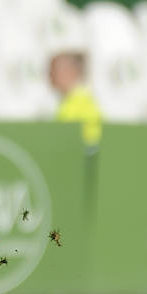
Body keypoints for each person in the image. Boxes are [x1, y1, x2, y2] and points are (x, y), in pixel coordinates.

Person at [48, 50, 103, 215]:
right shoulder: (75, 101)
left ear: (70, 72)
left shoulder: (80, 102)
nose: (49, 77)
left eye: (53, 70)